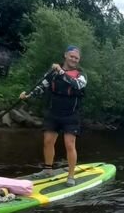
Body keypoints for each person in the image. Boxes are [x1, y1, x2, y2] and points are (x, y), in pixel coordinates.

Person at [20, 45, 87, 186]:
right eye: (72, 56)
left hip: (71, 114)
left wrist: (61, 72)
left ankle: (71, 176)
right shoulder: (53, 72)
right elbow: (41, 86)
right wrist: (28, 95)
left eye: (77, 58)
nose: (74, 59)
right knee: (48, 141)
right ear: (65, 55)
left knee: (70, 144)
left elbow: (77, 85)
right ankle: (48, 170)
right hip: (53, 112)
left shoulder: (81, 74)